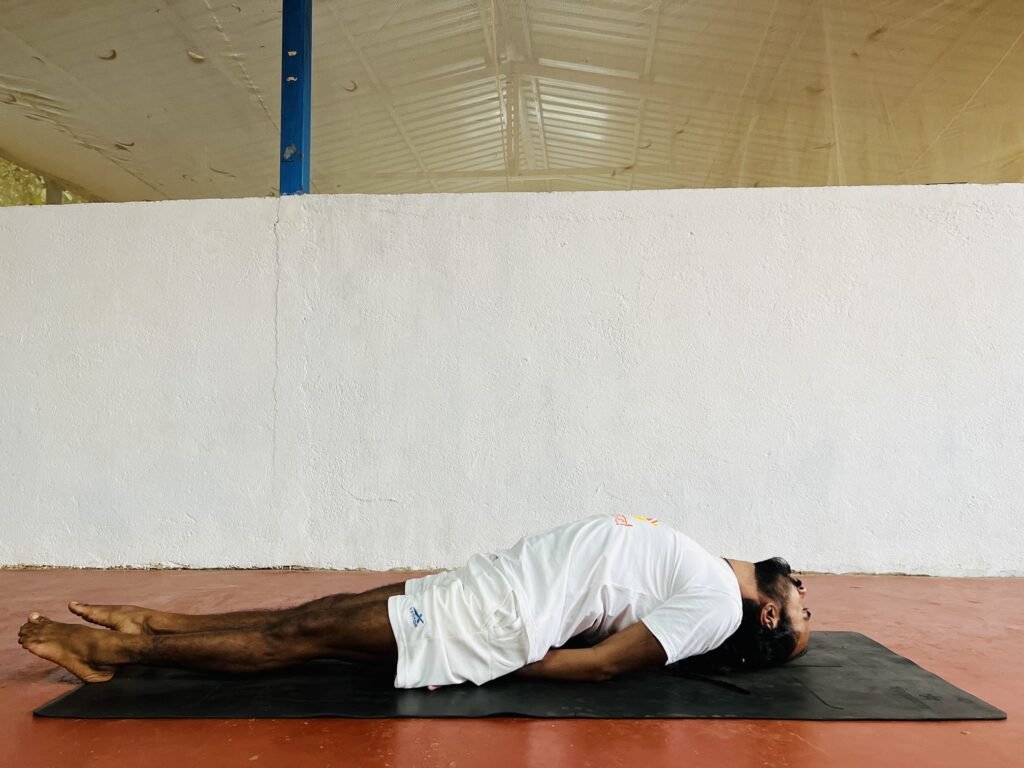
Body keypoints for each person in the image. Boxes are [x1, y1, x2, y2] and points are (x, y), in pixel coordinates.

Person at [18, 514, 811, 688]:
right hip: (493, 585)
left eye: (803, 611)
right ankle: (159, 621)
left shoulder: (714, 602)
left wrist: (511, 662)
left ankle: (111, 652)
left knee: (304, 637)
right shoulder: (706, 565)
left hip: (496, 619)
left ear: (769, 614)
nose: (805, 593)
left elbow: (605, 664)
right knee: (320, 613)